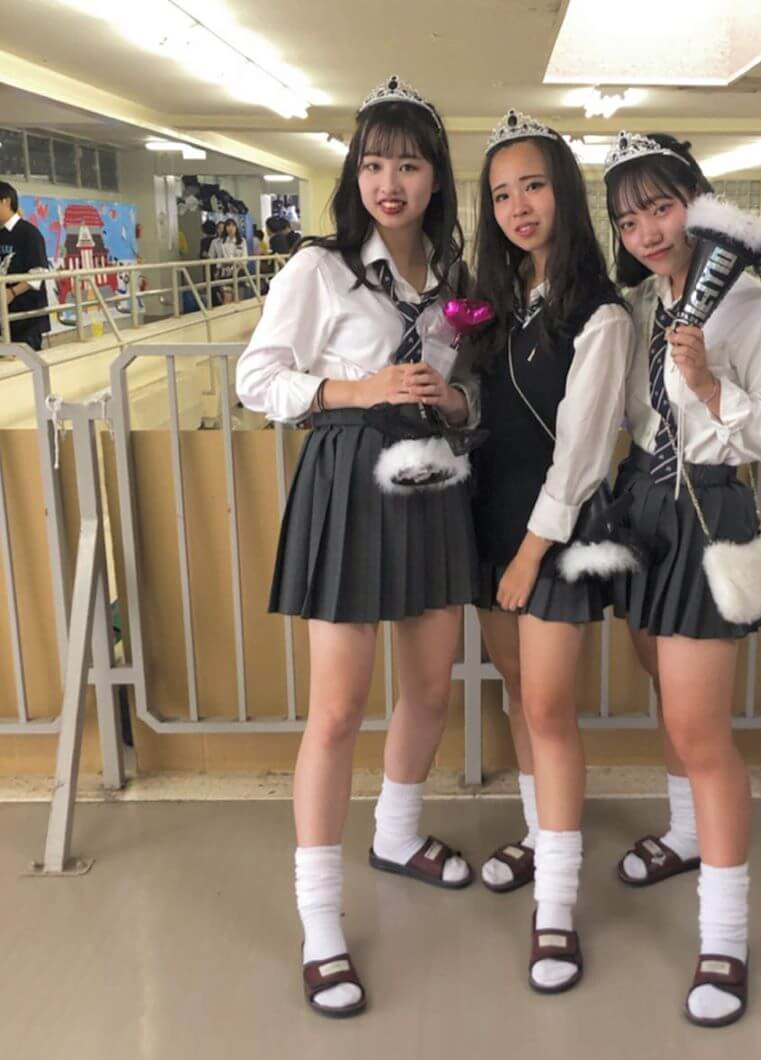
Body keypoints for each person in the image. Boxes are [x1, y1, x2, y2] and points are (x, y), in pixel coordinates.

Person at [235, 75, 479, 1020]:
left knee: (430, 689)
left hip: (431, 480)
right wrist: (355, 390)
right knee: (337, 711)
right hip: (347, 480)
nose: (390, 182)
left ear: (434, 179)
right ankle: (320, 920)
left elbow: (465, 393)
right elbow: (260, 377)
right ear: (355, 174)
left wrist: (453, 401)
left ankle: (398, 835)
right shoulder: (320, 268)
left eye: (409, 165)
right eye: (374, 163)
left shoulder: (455, 278)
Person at [604, 132, 761, 1027]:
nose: (648, 231)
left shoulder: (754, 308)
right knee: (662, 687)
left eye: (661, 207)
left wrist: (713, 386)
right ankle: (685, 834)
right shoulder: (639, 304)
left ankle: (724, 938)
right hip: (643, 505)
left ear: (696, 200)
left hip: (710, 503)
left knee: (701, 729)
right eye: (628, 219)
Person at [468, 111, 634, 993]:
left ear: (564, 192)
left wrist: (531, 553)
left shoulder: (599, 313)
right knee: (514, 693)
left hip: (554, 534)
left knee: (549, 707)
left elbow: (583, 451)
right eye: (502, 194)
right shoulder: (495, 303)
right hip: (492, 520)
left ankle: (558, 906)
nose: (518, 207)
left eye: (533, 186)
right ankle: (539, 837)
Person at [0, 181, 51, 351]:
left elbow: (39, 273)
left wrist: (12, 292)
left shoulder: (29, 233)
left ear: (5, 201)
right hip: (5, 317)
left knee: (27, 362)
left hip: (28, 317)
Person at [210, 217, 249, 302]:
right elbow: (212, 257)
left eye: (233, 226)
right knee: (227, 297)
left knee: (238, 299)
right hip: (224, 271)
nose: (231, 228)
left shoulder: (241, 241)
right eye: (228, 226)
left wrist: (240, 264)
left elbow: (245, 257)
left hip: (238, 271)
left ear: (236, 227)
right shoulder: (220, 242)